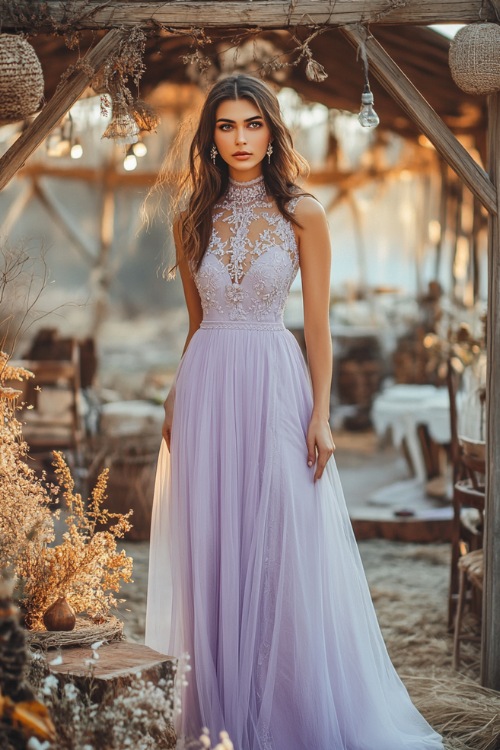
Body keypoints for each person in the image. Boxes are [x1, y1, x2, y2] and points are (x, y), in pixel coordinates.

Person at [145, 73, 443, 750]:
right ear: (210, 137)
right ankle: (223, 721)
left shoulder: (304, 212)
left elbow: (317, 329)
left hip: (278, 388)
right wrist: (172, 391)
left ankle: (287, 713)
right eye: (225, 125)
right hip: (206, 389)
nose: (240, 138)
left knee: (283, 543)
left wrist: (321, 415)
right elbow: (196, 326)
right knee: (216, 546)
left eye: (252, 124)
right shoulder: (190, 214)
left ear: (272, 131)